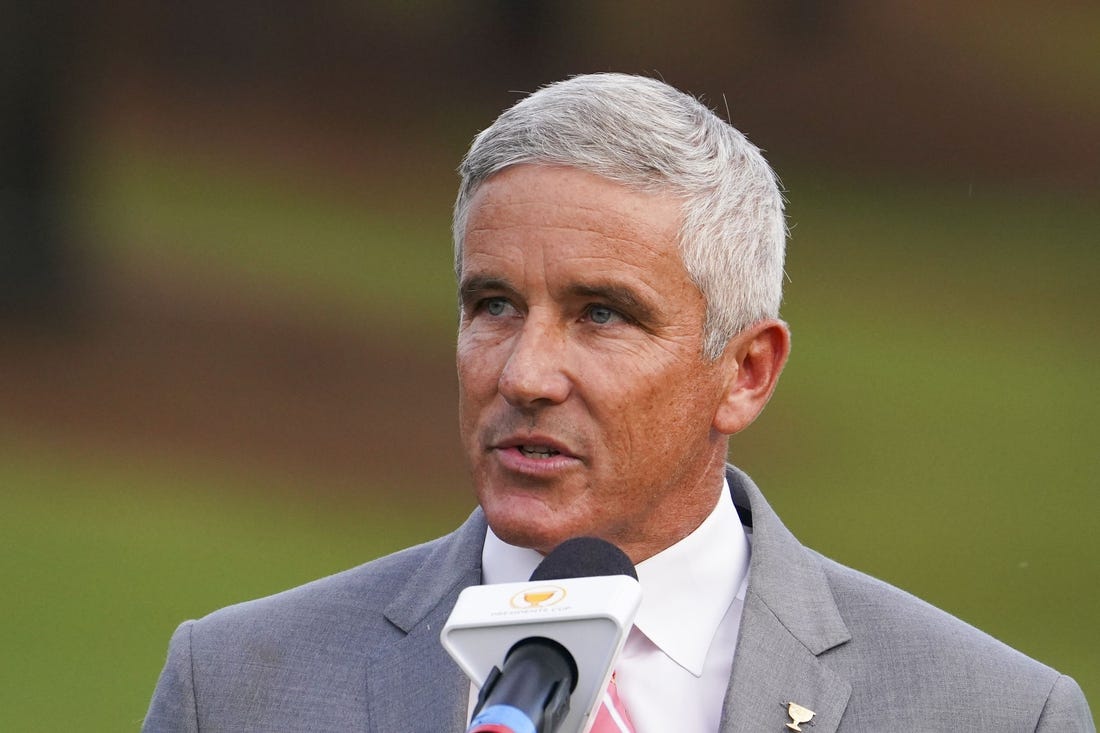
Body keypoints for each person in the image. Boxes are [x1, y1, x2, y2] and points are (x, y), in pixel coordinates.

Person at [142, 73, 1094, 732]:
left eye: (600, 314)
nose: (524, 374)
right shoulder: (235, 686)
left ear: (747, 371)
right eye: (493, 305)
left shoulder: (993, 711)